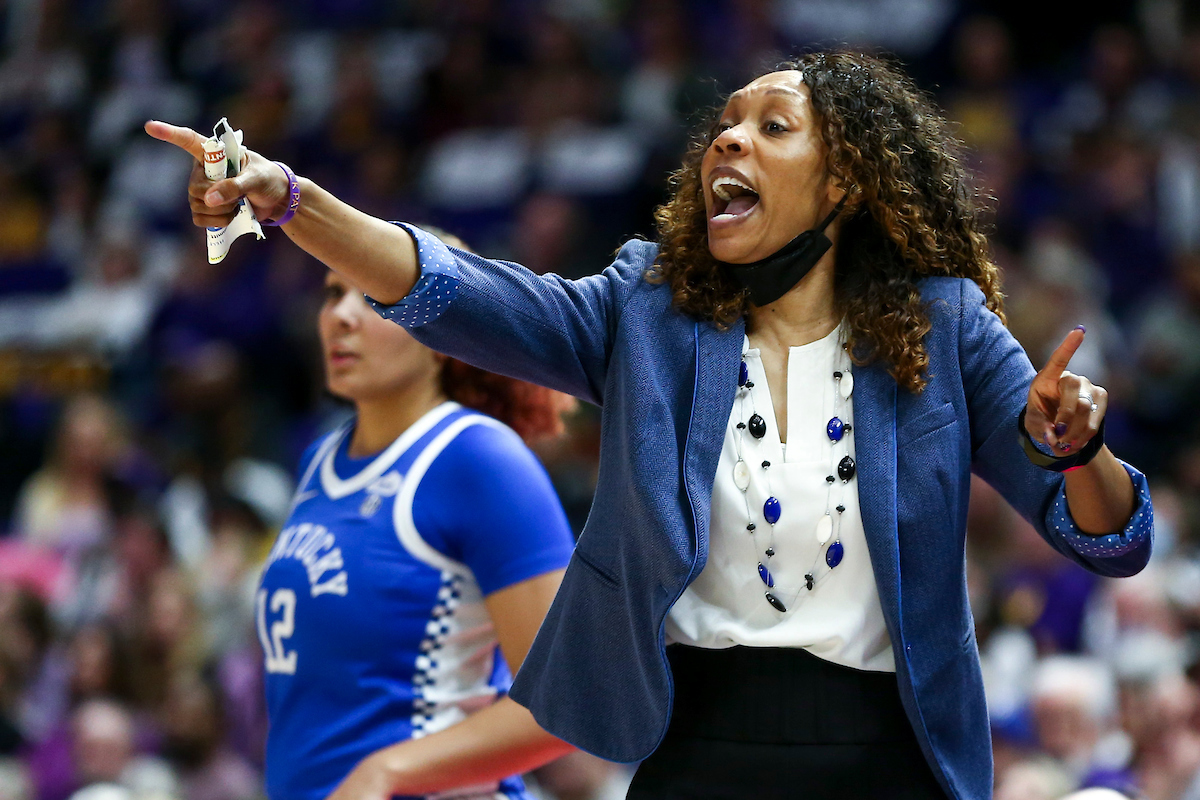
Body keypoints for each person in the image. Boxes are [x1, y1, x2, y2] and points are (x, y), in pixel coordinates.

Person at [148, 49, 1154, 799]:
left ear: (845, 182)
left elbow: (1105, 535)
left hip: (893, 749)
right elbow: (461, 294)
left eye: (772, 126)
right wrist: (289, 199)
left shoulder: (946, 324)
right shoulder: (650, 311)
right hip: (697, 739)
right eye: (724, 123)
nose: (730, 138)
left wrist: (1082, 451)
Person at [232, 234, 577, 798]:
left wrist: (385, 770)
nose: (341, 317)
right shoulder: (320, 459)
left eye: (370, 295)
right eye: (331, 293)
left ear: (441, 325)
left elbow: (566, 703)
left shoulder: (479, 459)